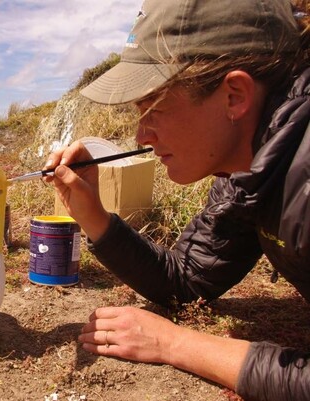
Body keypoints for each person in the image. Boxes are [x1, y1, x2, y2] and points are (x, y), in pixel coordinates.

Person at [44, 0, 310, 400]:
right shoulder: (248, 170)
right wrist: (94, 216)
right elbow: (189, 278)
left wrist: (175, 345)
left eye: (154, 107)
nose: (140, 136)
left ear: (234, 96)